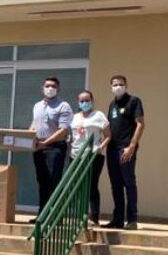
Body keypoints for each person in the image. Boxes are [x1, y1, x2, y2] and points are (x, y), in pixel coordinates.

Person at [29, 77, 73, 220]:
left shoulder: (63, 106)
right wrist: (27, 138)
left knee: (53, 181)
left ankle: (54, 216)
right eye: (47, 86)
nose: (50, 88)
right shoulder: (37, 106)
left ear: (58, 89)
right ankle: (42, 215)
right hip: (38, 148)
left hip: (54, 148)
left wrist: (45, 142)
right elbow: (34, 125)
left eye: (53, 86)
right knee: (42, 181)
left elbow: (64, 130)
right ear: (42, 88)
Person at [104, 75, 145, 230]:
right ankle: (118, 219)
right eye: (115, 84)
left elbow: (140, 124)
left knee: (129, 183)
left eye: (121, 84)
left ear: (126, 85)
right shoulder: (112, 104)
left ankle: (132, 219)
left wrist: (132, 146)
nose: (118, 87)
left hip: (125, 148)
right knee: (115, 185)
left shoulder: (134, 101)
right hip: (112, 149)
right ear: (111, 87)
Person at [70, 90, 110, 227]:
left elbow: (108, 135)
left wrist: (101, 147)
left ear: (92, 100)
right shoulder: (74, 117)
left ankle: (94, 217)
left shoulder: (99, 115)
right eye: (81, 101)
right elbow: (73, 136)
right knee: (78, 186)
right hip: (76, 155)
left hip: (93, 155)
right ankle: (81, 216)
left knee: (92, 186)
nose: (84, 103)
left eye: (87, 100)